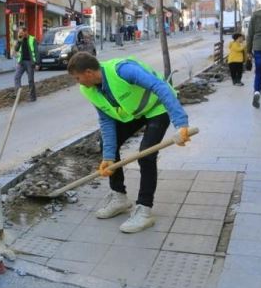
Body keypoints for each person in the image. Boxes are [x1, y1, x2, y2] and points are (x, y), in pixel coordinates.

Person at [66, 52, 190, 233]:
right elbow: (106, 120)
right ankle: (119, 198)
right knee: (106, 144)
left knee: (146, 155)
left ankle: (144, 210)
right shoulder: (89, 89)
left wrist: (181, 124)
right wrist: (108, 156)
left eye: (78, 78)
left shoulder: (122, 70)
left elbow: (160, 86)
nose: (78, 82)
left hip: (157, 107)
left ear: (88, 73)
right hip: (134, 113)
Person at [12, 26, 39, 101]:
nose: (20, 34)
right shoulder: (20, 39)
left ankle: (32, 97)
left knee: (30, 80)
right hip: (21, 62)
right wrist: (19, 41)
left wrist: (37, 63)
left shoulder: (32, 39)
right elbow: (16, 49)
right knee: (17, 77)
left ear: (26, 32)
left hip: (30, 62)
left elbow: (36, 52)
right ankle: (18, 95)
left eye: (21, 32)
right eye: (19, 33)